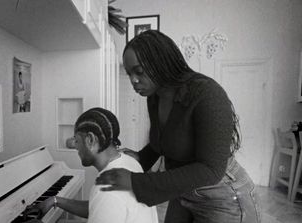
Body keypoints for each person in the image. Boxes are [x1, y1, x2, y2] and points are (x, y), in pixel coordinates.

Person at [95, 30, 261, 223]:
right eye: (129, 73)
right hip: (184, 189)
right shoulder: (154, 97)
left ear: (161, 62)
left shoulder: (208, 95)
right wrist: (141, 157)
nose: (133, 80)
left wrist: (135, 182)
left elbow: (211, 169)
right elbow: (165, 141)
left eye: (139, 72)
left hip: (222, 197)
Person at [23, 107, 158, 223]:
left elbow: (105, 201)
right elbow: (99, 207)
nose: (75, 146)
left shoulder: (107, 185)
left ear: (90, 140)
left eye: (77, 140)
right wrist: (55, 200)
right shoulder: (129, 161)